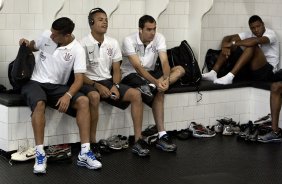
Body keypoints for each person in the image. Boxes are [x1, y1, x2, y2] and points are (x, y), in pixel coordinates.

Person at [19, 17, 102, 174]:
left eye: (55, 34)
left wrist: (68, 95)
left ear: (67, 35)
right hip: (35, 82)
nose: (51, 36)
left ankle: (84, 153)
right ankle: (40, 154)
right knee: (39, 103)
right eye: (51, 32)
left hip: (57, 86)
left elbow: (78, 80)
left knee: (84, 101)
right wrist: (26, 43)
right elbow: (32, 46)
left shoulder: (77, 49)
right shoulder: (48, 37)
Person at [80, 8, 150, 157]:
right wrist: (96, 85)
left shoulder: (112, 43)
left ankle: (138, 140)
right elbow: (79, 75)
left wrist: (115, 85)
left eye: (106, 19)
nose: (105, 22)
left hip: (107, 81)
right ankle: (92, 143)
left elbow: (116, 70)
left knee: (136, 95)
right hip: (89, 82)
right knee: (94, 97)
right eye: (100, 19)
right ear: (91, 23)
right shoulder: (82, 43)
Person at [120, 15, 185, 152]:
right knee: (155, 91)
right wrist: (157, 82)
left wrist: (166, 80)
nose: (152, 33)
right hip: (130, 75)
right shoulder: (128, 40)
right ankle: (138, 140)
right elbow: (138, 68)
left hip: (150, 74)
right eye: (149, 29)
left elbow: (165, 62)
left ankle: (162, 135)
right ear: (140, 29)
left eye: (154, 29)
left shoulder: (159, 38)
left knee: (180, 70)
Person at [202, 15, 279, 85]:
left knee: (252, 45)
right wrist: (224, 46)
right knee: (231, 46)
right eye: (253, 28)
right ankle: (213, 72)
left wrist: (232, 43)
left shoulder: (271, 34)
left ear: (263, 24)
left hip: (268, 72)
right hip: (252, 70)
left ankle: (230, 77)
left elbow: (255, 41)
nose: (256, 30)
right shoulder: (250, 33)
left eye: (258, 26)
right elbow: (228, 38)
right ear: (250, 28)